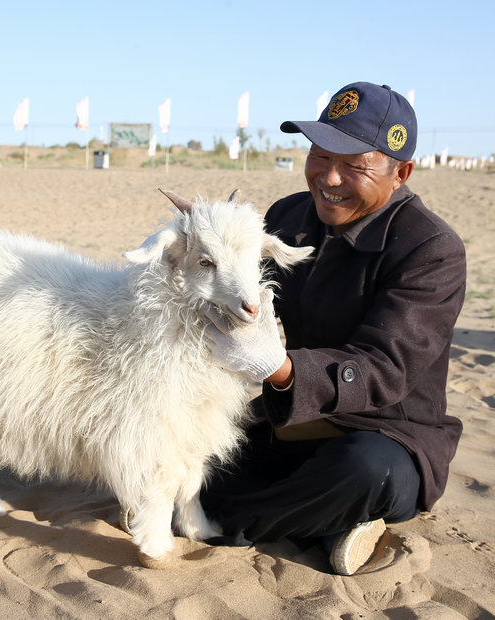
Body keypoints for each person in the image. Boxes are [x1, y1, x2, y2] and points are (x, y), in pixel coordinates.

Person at [199, 82, 466, 576]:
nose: (329, 178)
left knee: (360, 473)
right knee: (196, 458)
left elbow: (384, 367)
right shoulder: (287, 216)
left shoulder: (431, 250)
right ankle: (329, 526)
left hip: (385, 434)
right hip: (289, 419)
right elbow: (242, 295)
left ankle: (213, 522)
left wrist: (278, 368)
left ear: (400, 173)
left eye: (354, 166)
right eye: (320, 156)